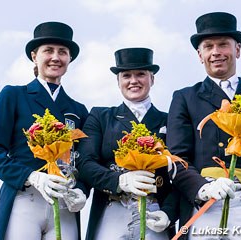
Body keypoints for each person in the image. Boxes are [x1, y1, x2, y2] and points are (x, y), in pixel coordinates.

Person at [167, 12, 241, 240]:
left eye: (223, 45)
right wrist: (202, 187)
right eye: (208, 46)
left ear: (237, 49)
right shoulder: (185, 98)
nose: (216, 52)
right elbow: (177, 157)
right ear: (200, 55)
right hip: (206, 203)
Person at [0, 21, 89, 240]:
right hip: (25, 198)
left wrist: (82, 190)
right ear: (34, 56)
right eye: (48, 51)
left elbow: (86, 162)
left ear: (69, 59)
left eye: (63, 52)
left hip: (64, 205)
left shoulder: (78, 110)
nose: (56, 57)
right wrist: (31, 176)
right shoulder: (13, 95)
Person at [76, 47, 178, 240]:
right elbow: (84, 163)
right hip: (111, 207)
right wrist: (119, 181)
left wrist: (169, 213)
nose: (133, 81)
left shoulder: (169, 120)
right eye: (126, 75)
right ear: (118, 81)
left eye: (141, 74)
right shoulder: (100, 116)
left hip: (154, 210)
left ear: (152, 79)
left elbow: (179, 173)